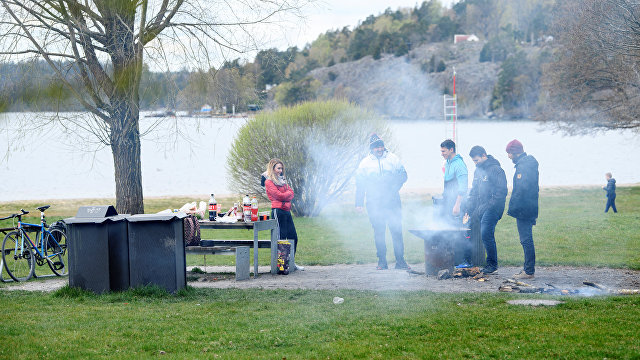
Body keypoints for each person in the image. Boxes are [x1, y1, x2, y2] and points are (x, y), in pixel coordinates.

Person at [355, 133, 410, 270]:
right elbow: (360, 184)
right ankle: (382, 262)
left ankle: (400, 261)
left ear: (384, 146)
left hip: (392, 201)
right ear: (371, 148)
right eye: (376, 147)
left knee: (396, 231)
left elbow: (403, 175)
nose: (379, 149)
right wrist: (359, 203)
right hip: (374, 203)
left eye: (381, 146)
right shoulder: (365, 163)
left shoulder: (393, 158)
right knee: (379, 232)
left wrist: (393, 187)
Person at [465, 146, 508, 274]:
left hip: (494, 207)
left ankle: (492, 264)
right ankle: (468, 260)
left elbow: (501, 193)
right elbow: (474, 191)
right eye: (473, 161)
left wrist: (487, 206)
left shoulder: (496, 170)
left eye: (477, 160)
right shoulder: (477, 171)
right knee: (470, 229)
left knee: (486, 233)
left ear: (484, 155)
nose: (475, 163)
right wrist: (469, 206)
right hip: (481, 207)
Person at [505, 139, 539, 279]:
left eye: (509, 153)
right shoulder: (526, 164)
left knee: (526, 239)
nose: (508, 156)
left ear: (515, 152)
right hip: (529, 206)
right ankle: (527, 269)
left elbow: (521, 189)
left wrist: (513, 208)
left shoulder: (524, 166)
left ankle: (529, 271)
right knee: (526, 239)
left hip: (525, 208)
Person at [263, 158, 303, 271]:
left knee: (293, 237)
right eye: (278, 168)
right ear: (273, 168)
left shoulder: (283, 180)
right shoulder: (269, 182)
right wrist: (286, 194)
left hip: (286, 211)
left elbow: (292, 193)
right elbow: (278, 196)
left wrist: (285, 194)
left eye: (281, 168)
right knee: (281, 238)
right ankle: (281, 266)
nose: (280, 170)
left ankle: (291, 263)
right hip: (278, 211)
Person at [439, 139, 471, 268]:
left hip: (458, 204)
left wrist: (457, 205)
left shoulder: (459, 164)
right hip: (449, 202)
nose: (442, 153)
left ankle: (466, 261)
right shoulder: (448, 162)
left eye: (444, 151)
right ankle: (453, 259)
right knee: (450, 230)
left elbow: (463, 188)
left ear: (451, 149)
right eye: (441, 151)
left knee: (461, 231)